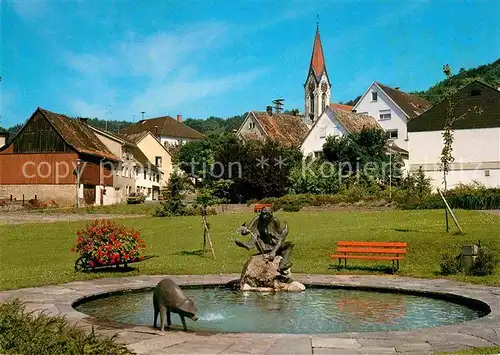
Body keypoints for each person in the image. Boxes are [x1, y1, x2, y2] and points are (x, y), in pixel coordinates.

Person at [235, 206, 294, 275]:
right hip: (263, 247)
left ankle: (283, 264)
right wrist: (244, 230)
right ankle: (250, 244)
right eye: (263, 214)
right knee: (256, 231)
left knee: (290, 244)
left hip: (274, 247)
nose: (264, 216)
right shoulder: (258, 219)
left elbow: (281, 238)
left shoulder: (275, 221)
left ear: (271, 214)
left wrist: (273, 252)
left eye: (267, 214)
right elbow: (248, 230)